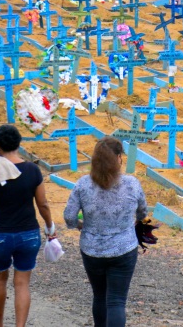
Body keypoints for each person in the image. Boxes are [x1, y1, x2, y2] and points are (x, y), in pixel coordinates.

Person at [0, 125, 56, 327]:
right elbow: (43, 204)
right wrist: (49, 226)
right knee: (22, 283)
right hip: (28, 233)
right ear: (19, 144)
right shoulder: (33, 170)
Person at [64, 137, 147, 327]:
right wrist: (134, 221)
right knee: (116, 301)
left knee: (99, 296)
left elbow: (69, 217)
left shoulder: (83, 184)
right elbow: (143, 212)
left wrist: (80, 225)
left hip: (92, 250)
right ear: (118, 158)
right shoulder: (131, 183)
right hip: (124, 249)